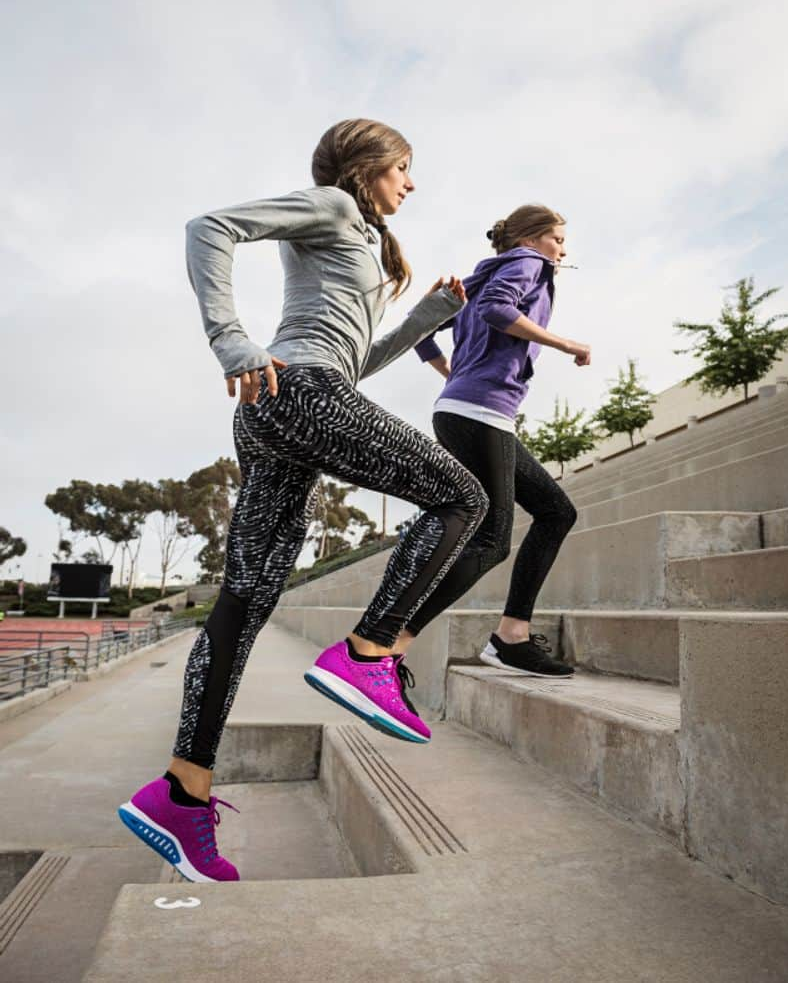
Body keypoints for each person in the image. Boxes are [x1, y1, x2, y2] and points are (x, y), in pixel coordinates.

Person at [118, 119, 488, 882]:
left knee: (244, 603)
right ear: (368, 166)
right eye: (404, 169)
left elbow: (348, 364)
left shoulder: (359, 240)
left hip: (288, 406)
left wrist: (423, 321)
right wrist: (231, 341)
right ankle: (367, 652)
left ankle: (182, 794)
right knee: (462, 497)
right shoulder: (330, 207)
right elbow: (208, 227)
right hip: (292, 389)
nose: (411, 185)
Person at [398, 205, 590, 676]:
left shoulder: (477, 278)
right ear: (529, 238)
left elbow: (419, 331)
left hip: (464, 410)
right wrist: (568, 345)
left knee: (555, 512)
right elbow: (497, 311)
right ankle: (389, 641)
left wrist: (452, 375)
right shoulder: (529, 264)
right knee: (492, 540)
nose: (563, 250)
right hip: (479, 412)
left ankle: (511, 636)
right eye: (558, 239)